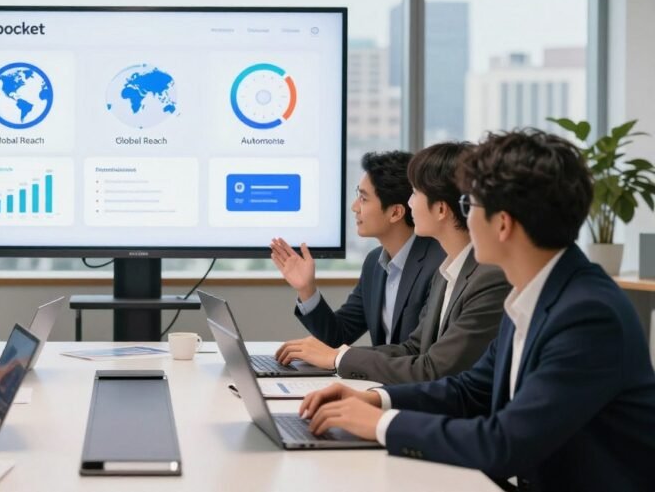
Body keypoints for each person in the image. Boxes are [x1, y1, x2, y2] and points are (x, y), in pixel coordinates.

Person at [297, 130, 655, 491]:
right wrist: (373, 399)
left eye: (469, 206)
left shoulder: (587, 315)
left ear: (503, 223)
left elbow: (505, 443)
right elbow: (469, 390)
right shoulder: (535, 293)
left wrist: (380, 424)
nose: (463, 219)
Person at [275, 142, 510, 384]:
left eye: (416, 194)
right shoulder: (440, 269)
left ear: (440, 209)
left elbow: (433, 367)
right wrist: (308, 293)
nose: (410, 203)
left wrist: (339, 360)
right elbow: (412, 348)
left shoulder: (473, 274)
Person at [271, 151, 445, 350]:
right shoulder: (374, 263)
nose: (354, 207)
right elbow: (338, 335)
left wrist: (339, 358)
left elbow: (419, 352)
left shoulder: (439, 265)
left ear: (395, 212)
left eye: (363, 199)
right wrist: (306, 289)